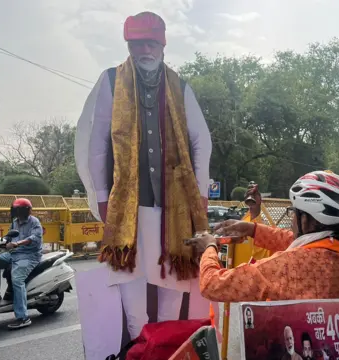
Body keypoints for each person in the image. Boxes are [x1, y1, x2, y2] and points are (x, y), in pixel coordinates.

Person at [74, 11, 214, 341]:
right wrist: (103, 198)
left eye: (151, 44)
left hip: (173, 208)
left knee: (173, 278)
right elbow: (95, 141)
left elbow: (201, 141)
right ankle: (139, 345)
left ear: (163, 46)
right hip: (128, 207)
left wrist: (201, 199)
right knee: (130, 278)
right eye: (138, 45)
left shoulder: (180, 87)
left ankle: (163, 344)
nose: (145, 52)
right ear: (129, 46)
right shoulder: (111, 80)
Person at [186, 170, 339, 311]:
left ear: (305, 219)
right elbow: (295, 240)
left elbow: (212, 284)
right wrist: (252, 229)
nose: (292, 221)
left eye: (294, 214)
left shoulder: (284, 267)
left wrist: (209, 247)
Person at [0, 198, 43, 329]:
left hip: (29, 255)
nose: (16, 213)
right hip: (14, 253)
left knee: (17, 280)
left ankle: (23, 317)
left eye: (18, 210)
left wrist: (17, 243)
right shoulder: (15, 222)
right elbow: (8, 237)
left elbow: (34, 238)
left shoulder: (34, 222)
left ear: (24, 211)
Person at [232, 182, 269, 265]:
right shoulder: (245, 220)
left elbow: (258, 256)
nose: (251, 205)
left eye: (253, 202)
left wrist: (256, 203)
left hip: (249, 274)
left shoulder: (262, 229)